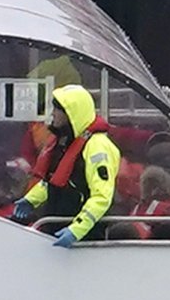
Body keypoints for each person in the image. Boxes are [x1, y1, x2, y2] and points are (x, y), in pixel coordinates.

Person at [12, 85, 120, 247]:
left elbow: (101, 196)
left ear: (72, 114)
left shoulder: (97, 146)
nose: (53, 113)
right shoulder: (67, 142)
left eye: (58, 109)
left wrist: (77, 229)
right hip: (57, 232)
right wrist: (31, 200)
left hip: (83, 242)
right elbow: (54, 180)